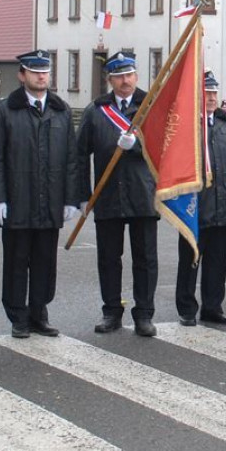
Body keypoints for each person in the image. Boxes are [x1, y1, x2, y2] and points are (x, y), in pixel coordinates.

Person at [0, 51, 78, 338]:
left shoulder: (61, 110)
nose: (41, 76)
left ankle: (39, 313)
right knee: (16, 262)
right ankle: (18, 317)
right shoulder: (4, 111)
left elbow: (71, 160)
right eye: (35, 71)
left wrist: (70, 199)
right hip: (17, 200)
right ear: (22, 75)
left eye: (45, 72)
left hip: (50, 202)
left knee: (44, 262)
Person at [77, 51, 158, 337]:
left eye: (130, 75)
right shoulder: (96, 110)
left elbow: (163, 148)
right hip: (108, 193)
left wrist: (135, 146)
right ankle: (111, 311)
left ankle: (144, 314)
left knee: (145, 258)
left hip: (143, 194)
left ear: (136, 76)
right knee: (109, 258)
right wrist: (83, 195)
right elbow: (79, 154)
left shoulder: (151, 105)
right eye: (119, 76)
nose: (125, 81)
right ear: (110, 79)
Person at [176, 71, 226, 326]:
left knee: (218, 262)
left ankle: (212, 306)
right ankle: (187, 308)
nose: (210, 97)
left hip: (223, 204)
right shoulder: (185, 124)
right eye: (205, 92)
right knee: (190, 261)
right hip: (194, 206)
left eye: (213, 93)